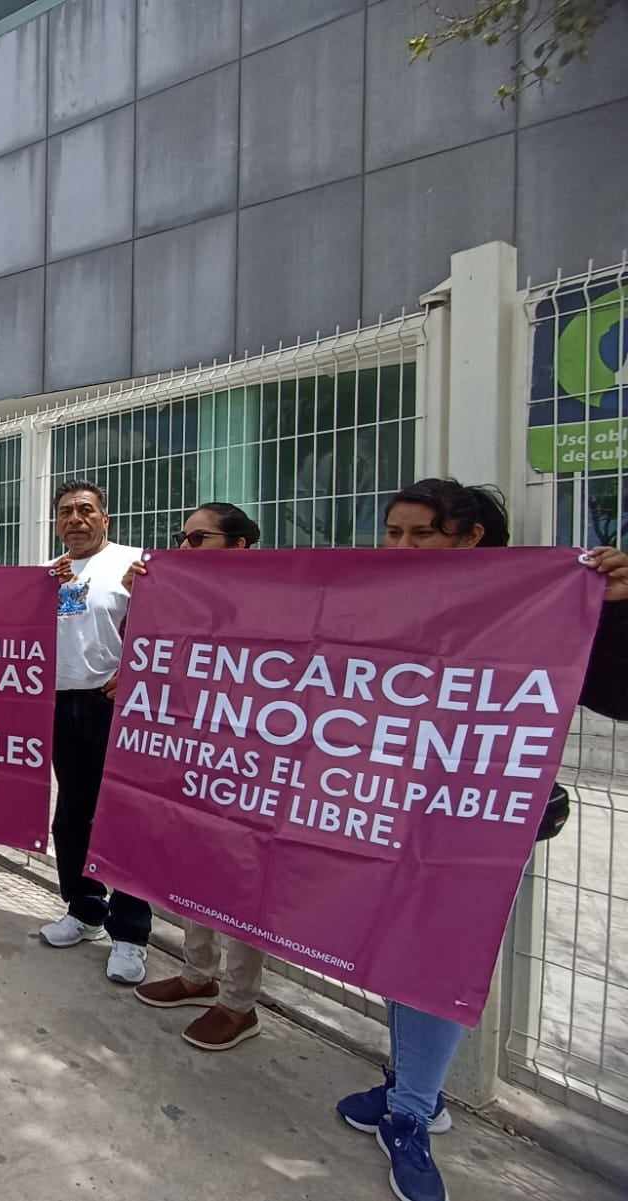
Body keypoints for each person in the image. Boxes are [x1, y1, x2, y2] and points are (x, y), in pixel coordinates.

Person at [333, 478, 628, 1201]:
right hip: (384, 803)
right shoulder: (380, 598)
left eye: (419, 533)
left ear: (469, 539)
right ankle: (414, 1090)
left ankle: (409, 1115)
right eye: (391, 532)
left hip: (477, 817)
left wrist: (619, 609)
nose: (399, 547)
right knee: (400, 949)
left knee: (441, 954)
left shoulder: (533, 603)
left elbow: (616, 693)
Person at [128, 503, 267, 1050]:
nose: (184, 549)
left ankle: (239, 1003)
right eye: (180, 539)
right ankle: (197, 973)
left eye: (198, 539)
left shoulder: (279, 600)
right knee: (194, 867)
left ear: (239, 548)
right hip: (192, 754)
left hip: (250, 762)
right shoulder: (179, 595)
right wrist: (142, 596)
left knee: (240, 882)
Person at [41, 480, 151, 984]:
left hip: (117, 707)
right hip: (62, 705)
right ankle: (84, 910)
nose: (75, 519)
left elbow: (165, 628)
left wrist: (134, 670)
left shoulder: (135, 564)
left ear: (105, 518)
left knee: (123, 818)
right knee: (73, 816)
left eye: (86, 510)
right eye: (66, 512)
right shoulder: (50, 572)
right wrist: (44, 594)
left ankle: (129, 935)